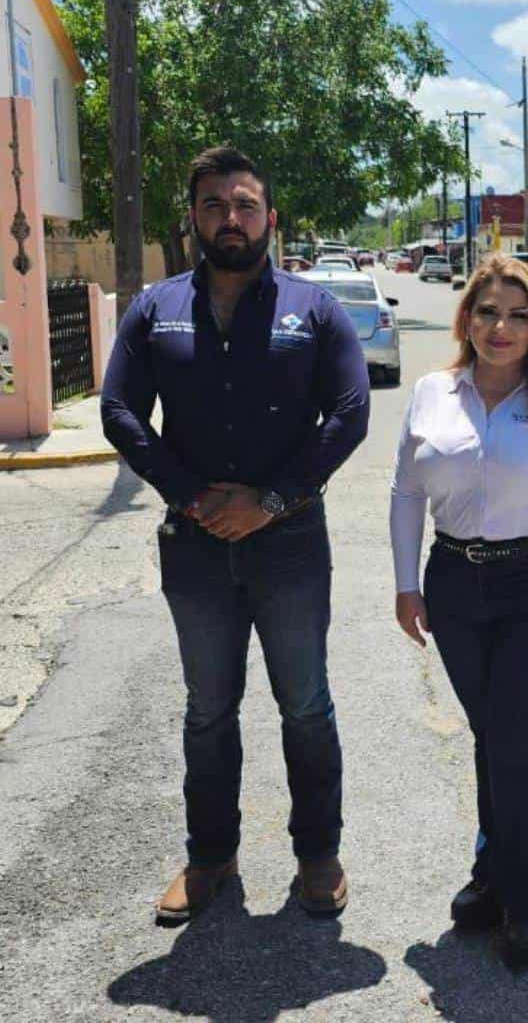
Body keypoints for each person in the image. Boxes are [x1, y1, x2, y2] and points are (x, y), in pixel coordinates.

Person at [101, 146, 370, 925]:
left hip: (289, 545)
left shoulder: (313, 310)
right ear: (194, 218)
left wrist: (273, 501)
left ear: (270, 218)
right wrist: (189, 497)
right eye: (215, 204)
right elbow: (120, 410)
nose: (231, 218)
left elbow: (350, 414)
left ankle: (318, 855)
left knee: (305, 705)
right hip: (194, 547)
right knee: (207, 710)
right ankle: (209, 857)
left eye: (245, 204)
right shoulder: (156, 309)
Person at [390, 254, 528, 968]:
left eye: (519, 314)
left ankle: (518, 895)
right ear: (467, 318)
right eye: (488, 311)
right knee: (491, 735)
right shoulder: (433, 392)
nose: (502, 327)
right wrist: (406, 583)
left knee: (515, 740)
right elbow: (405, 494)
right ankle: (490, 873)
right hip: (457, 584)